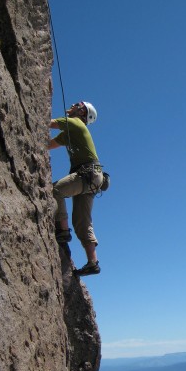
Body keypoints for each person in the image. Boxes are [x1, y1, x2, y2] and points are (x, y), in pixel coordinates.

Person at [47, 101, 103, 276]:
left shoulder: (76, 123)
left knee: (56, 190)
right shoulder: (71, 132)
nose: (73, 104)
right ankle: (93, 263)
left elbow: (47, 123)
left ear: (82, 113)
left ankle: (62, 230)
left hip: (87, 173)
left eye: (78, 104)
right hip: (93, 177)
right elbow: (49, 145)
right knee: (82, 221)